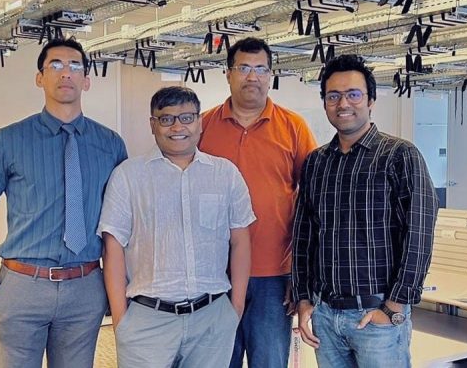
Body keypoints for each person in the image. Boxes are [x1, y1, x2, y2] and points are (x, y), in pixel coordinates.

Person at [0, 38, 127, 368]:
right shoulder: (8, 141)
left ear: (87, 80)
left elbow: (122, 225)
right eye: (55, 65)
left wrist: (119, 285)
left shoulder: (110, 144)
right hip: (22, 287)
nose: (66, 73)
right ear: (40, 78)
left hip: (85, 287)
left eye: (75, 66)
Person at [292, 54, 439, 368]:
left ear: (371, 100)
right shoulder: (317, 162)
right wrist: (304, 299)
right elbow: (305, 236)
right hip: (326, 316)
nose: (343, 103)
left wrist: (394, 307)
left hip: (376, 317)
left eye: (353, 94)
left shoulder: (399, 155)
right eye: (333, 96)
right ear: (325, 102)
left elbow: (419, 235)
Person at [99, 86, 256, 368]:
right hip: (147, 319)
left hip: (212, 317)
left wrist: (236, 307)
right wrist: (121, 320)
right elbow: (113, 248)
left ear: (199, 122)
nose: (177, 127)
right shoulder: (128, 176)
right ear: (153, 124)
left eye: (186, 118)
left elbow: (240, 241)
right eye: (166, 118)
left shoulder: (225, 174)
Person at [199, 37, 317, 368]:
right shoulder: (204, 126)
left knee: (269, 361)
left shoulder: (293, 127)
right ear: (228, 73)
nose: (253, 77)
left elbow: (311, 202)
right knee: (219, 361)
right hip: (214, 274)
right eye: (244, 68)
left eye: (261, 69)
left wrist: (302, 273)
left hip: (273, 275)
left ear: (270, 75)